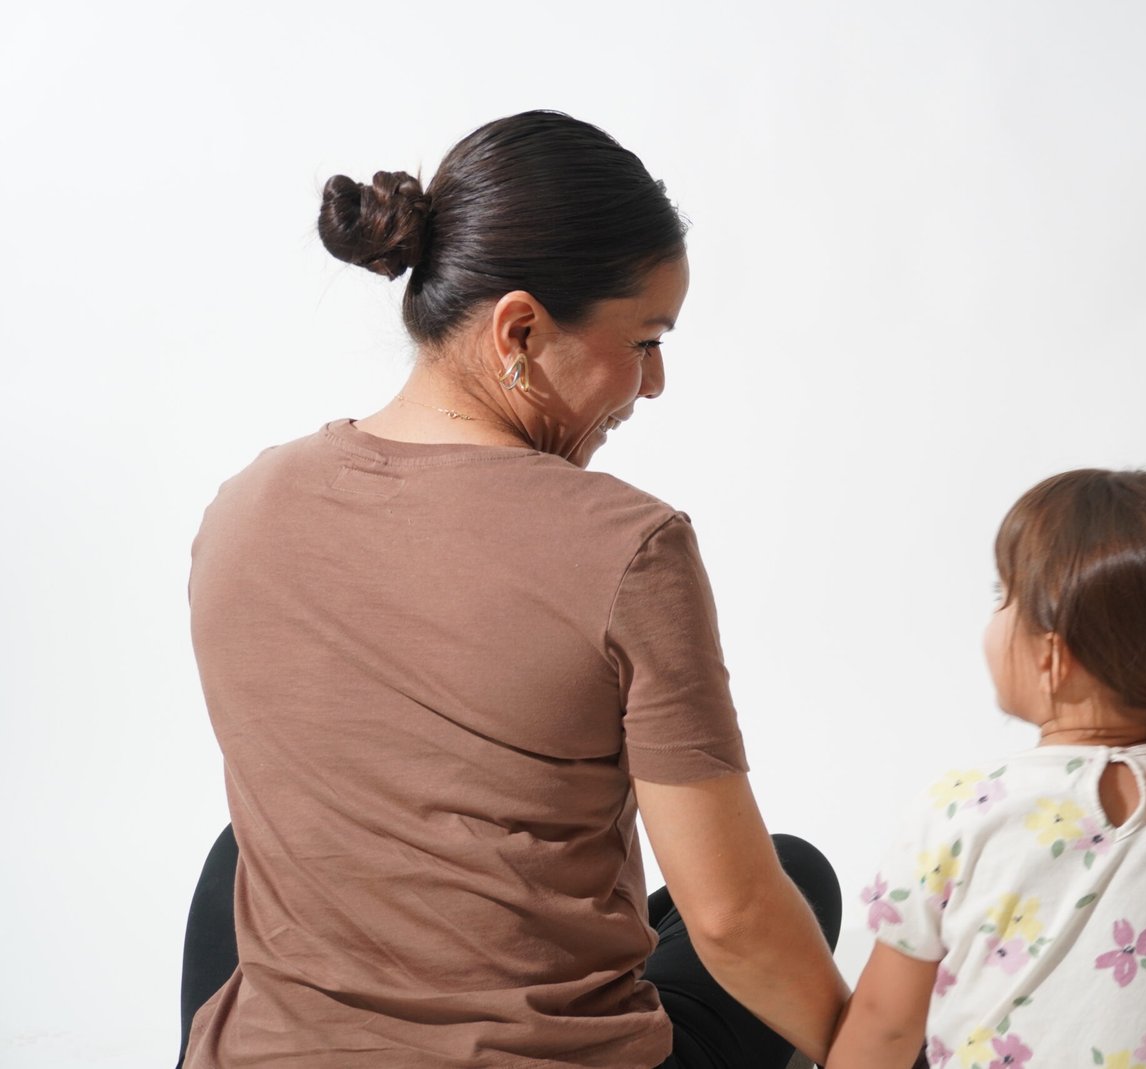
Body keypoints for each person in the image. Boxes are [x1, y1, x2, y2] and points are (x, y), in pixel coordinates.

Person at [178, 110, 849, 1069]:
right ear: (520, 329)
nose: (654, 382)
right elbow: (733, 918)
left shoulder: (242, 507)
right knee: (789, 875)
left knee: (240, 852)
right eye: (645, 340)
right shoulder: (630, 546)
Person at [826, 470, 1146, 1069]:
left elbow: (884, 1026)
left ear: (1056, 654)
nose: (993, 614)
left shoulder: (961, 809)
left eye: (1002, 596)